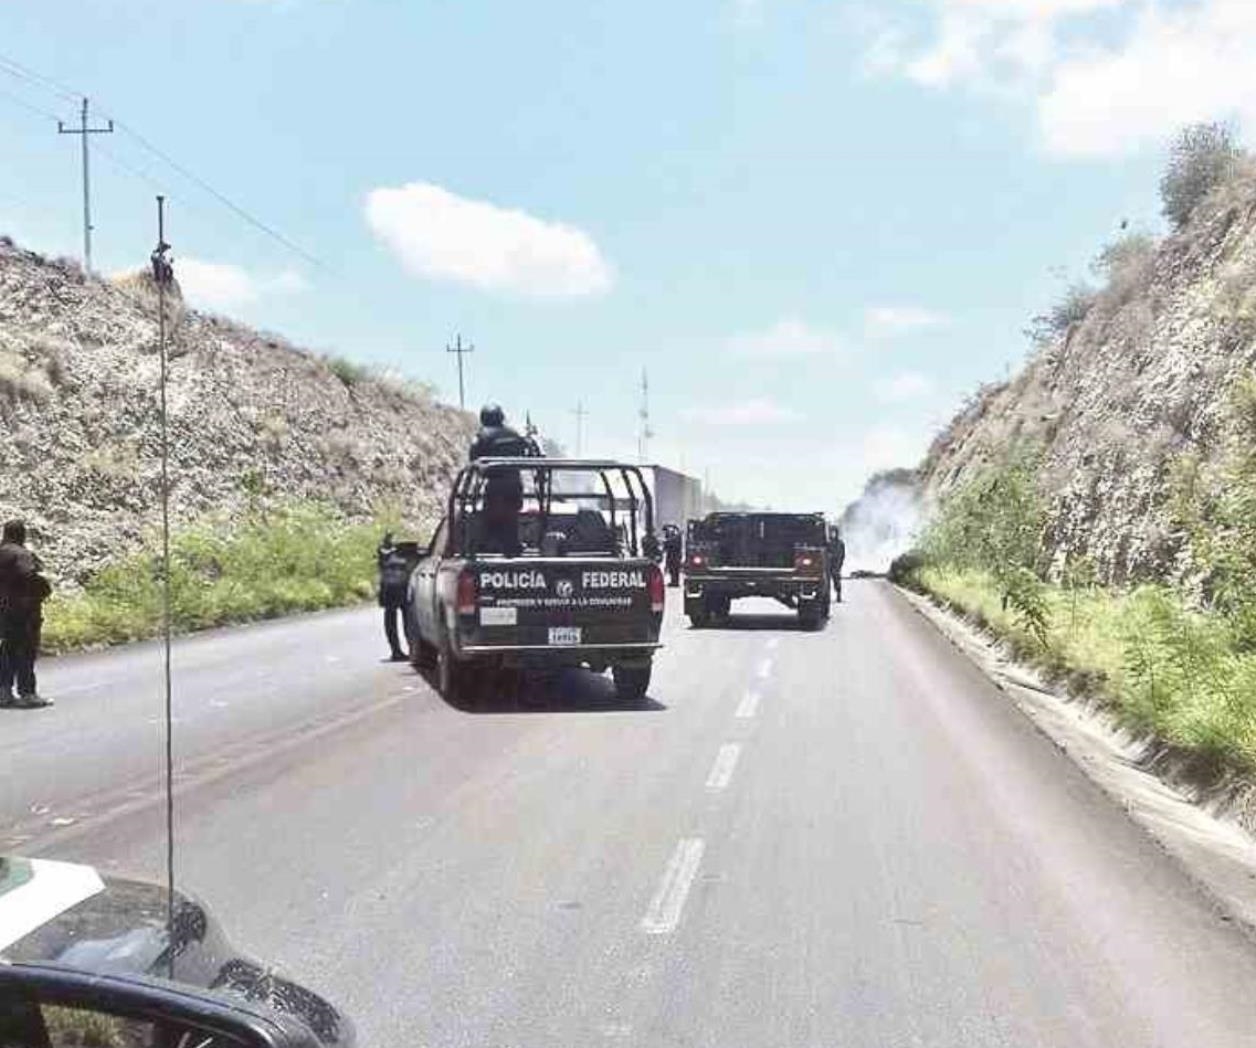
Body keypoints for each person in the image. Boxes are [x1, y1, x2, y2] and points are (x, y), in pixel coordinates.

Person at [0, 520, 52, 708]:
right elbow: (29, 576)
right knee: (27, 650)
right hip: (24, 609)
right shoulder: (21, 554)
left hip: (4, 609)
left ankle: (3, 692)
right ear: (21, 534)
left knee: (8, 649)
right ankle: (28, 693)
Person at [377, 532, 411, 662]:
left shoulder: (387, 554)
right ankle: (397, 650)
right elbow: (383, 552)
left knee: (404, 619)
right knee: (400, 619)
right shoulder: (385, 553)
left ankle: (401, 650)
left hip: (394, 586)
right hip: (395, 586)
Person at [469, 404, 538, 461]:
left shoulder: (481, 435)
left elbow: (473, 457)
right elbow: (526, 449)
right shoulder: (514, 434)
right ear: (501, 417)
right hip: (514, 475)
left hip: (490, 475)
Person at [828, 525, 846, 603]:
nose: (833, 534)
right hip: (828, 565)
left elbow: (842, 554)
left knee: (837, 580)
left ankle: (838, 595)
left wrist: (840, 564)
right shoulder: (827, 543)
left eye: (834, 532)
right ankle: (827, 597)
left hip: (836, 564)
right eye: (831, 532)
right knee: (826, 583)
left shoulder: (840, 543)